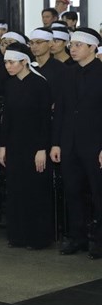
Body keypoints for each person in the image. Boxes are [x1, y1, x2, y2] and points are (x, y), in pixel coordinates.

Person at [50, 28, 102, 258]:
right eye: (71, 44)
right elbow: (60, 110)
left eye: (79, 45)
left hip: (95, 144)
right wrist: (56, 143)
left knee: (99, 193)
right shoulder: (67, 74)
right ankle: (77, 237)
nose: (73, 48)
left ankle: (99, 240)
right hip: (69, 144)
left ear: (92, 47)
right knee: (72, 192)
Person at [0, 43, 53, 250]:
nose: (8, 66)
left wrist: (41, 149)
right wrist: (3, 146)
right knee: (16, 189)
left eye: (11, 62)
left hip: (35, 145)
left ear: (24, 61)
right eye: (5, 62)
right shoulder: (10, 85)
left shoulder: (40, 85)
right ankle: (18, 235)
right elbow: (7, 119)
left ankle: (37, 238)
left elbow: (44, 120)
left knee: (35, 190)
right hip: (14, 144)